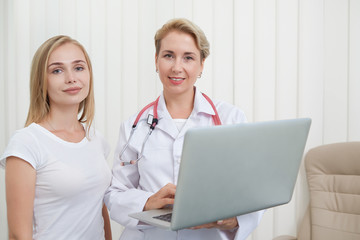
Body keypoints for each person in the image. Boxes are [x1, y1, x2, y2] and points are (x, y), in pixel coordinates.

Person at [105, 18, 264, 239]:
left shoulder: (231, 119)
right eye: (168, 55)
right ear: (156, 60)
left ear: (201, 64)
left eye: (188, 57)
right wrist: (147, 202)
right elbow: (115, 194)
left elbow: (255, 189)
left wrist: (235, 218)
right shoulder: (134, 126)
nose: (176, 67)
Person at [0, 35, 112, 240]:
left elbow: (98, 208)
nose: (71, 78)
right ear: (41, 80)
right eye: (57, 70)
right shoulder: (26, 143)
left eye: (78, 67)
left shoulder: (96, 140)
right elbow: (18, 234)